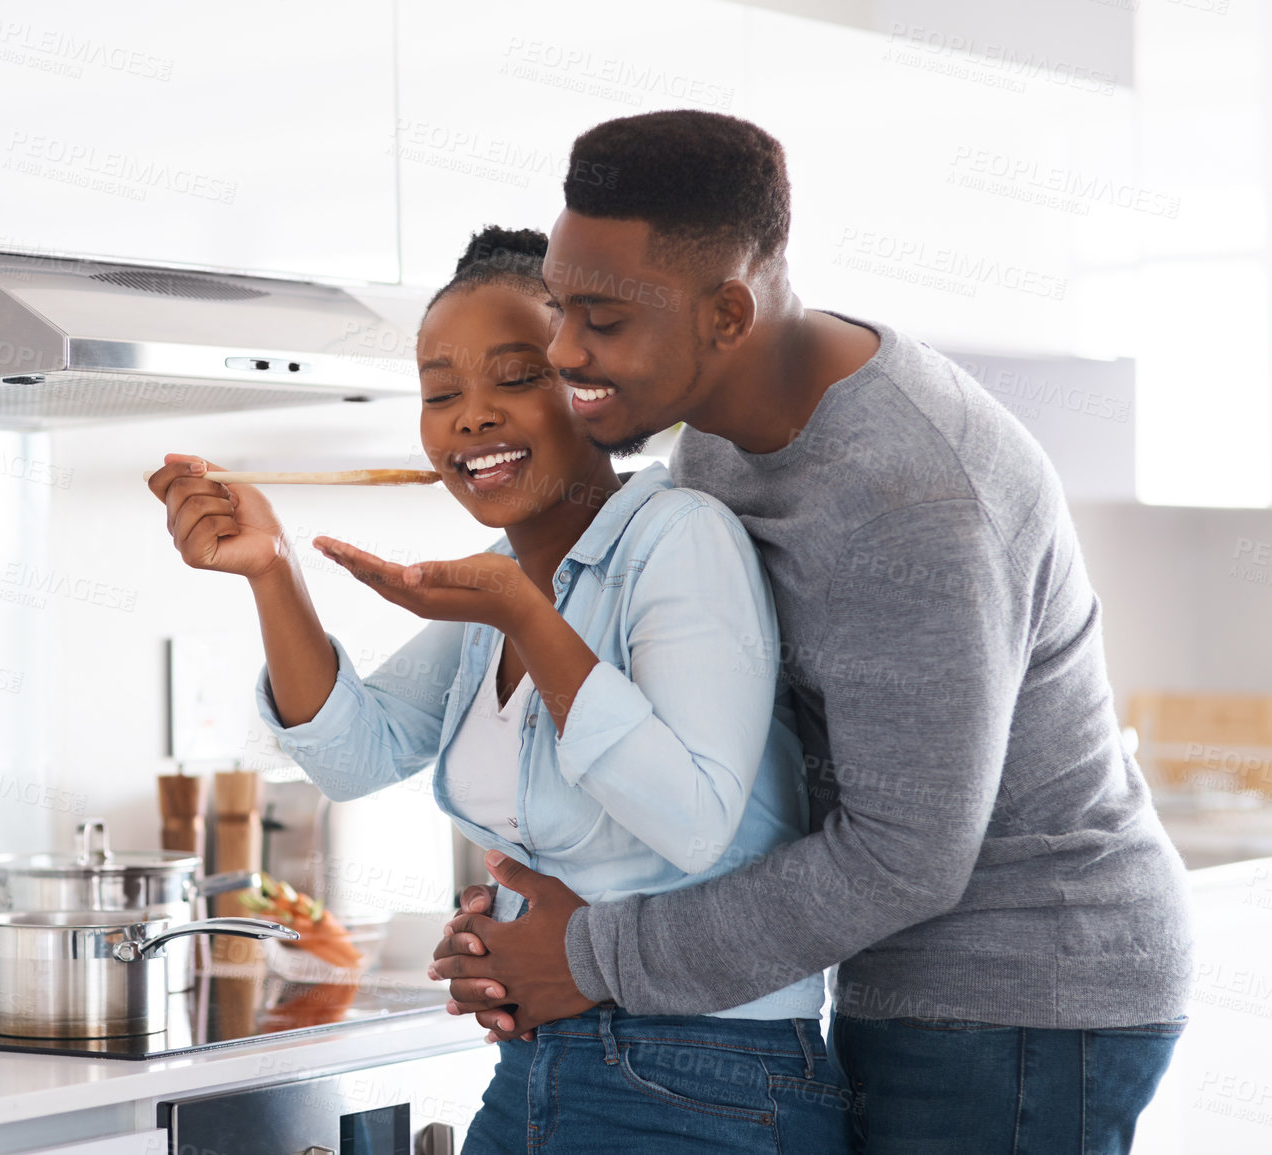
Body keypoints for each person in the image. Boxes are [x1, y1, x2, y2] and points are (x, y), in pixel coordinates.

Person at [428, 112, 1192, 1153]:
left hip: (1026, 984)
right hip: (899, 971)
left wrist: (595, 955)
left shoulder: (909, 498)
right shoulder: (713, 446)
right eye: (561, 308)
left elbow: (907, 859)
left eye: (600, 318)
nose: (564, 352)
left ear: (727, 313)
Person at [148, 227, 850, 1153]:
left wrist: (526, 618)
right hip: (543, 1059)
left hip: (706, 1070)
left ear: (588, 389)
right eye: (441, 393)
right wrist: (272, 571)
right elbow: (356, 754)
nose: (470, 416)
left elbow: (692, 818)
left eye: (515, 377)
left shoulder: (678, 539)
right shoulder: (500, 575)